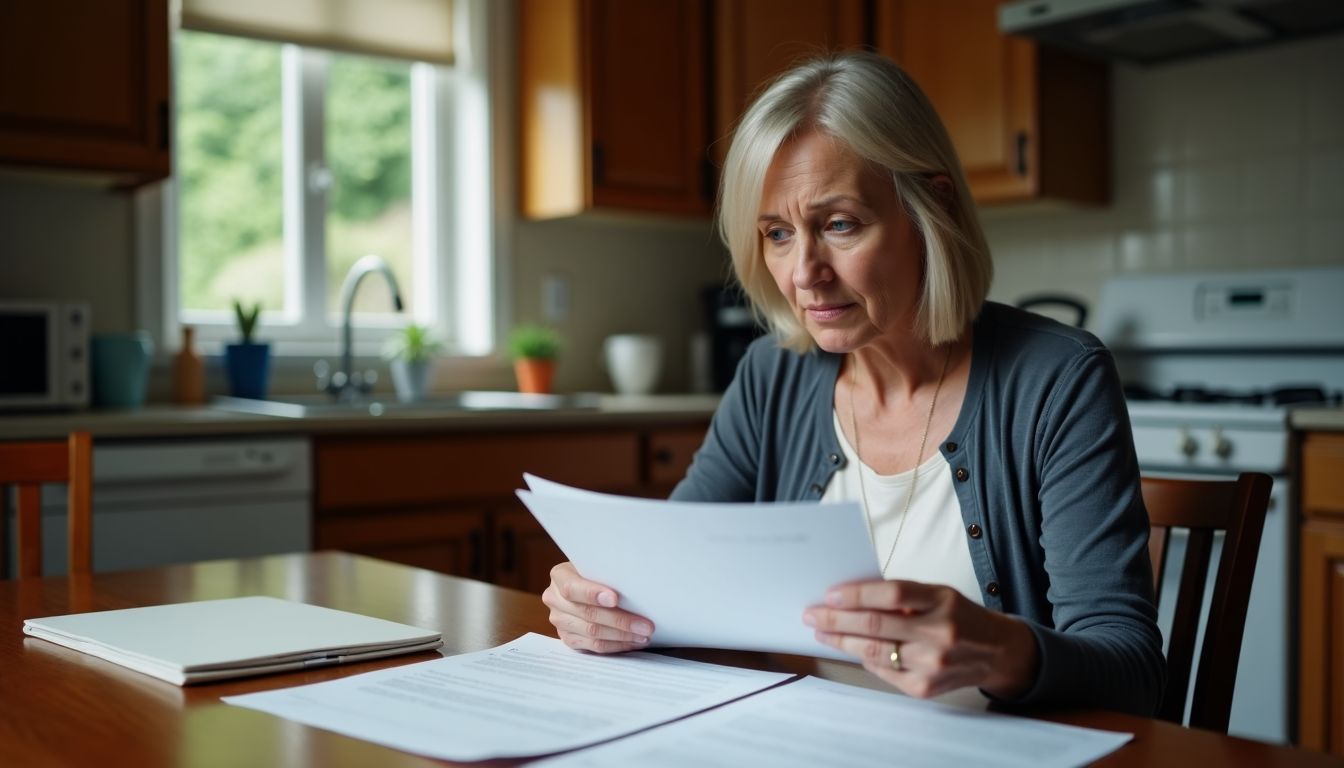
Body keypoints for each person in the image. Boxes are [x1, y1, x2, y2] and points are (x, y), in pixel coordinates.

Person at [543, 51, 1164, 715]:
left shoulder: (1056, 378)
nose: (804, 271)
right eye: (777, 234)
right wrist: (604, 604)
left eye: (839, 224)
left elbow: (1132, 672)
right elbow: (669, 580)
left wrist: (1005, 650)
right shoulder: (771, 375)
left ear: (933, 210)